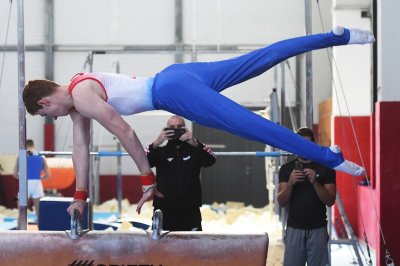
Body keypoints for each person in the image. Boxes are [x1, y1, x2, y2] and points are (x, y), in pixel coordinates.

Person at [21, 26, 374, 217]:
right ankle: (338, 37)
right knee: (260, 59)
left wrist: (147, 177)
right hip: (178, 75)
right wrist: (80, 196)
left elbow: (124, 131)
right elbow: (80, 148)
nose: (51, 118)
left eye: (45, 113)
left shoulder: (81, 96)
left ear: (45, 101)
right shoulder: (79, 91)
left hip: (173, 93)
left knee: (251, 126)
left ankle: (331, 158)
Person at [146, 115, 216, 231]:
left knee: (192, 245)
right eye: (172, 127)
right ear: (166, 130)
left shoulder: (195, 150)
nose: (175, 130)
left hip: (190, 209)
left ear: (185, 129)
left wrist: (195, 142)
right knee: (162, 246)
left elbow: (211, 160)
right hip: (164, 208)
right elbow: (141, 161)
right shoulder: (159, 152)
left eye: (179, 127)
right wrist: (156, 143)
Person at [277, 127, 336, 266]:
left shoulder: (326, 169)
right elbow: (282, 201)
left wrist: (315, 182)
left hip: (318, 228)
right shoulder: (286, 169)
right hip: (294, 227)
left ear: (313, 145)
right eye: (300, 144)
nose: (303, 148)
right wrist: (290, 184)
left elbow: (330, 201)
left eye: (307, 144)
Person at [13, 139, 50, 223]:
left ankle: (20, 231)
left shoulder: (21, 156)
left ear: (25, 146)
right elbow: (48, 175)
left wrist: (23, 178)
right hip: (37, 185)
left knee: (21, 212)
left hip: (24, 184)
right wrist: (39, 178)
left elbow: (14, 174)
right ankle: (41, 232)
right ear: (33, 145)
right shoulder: (41, 156)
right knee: (39, 212)